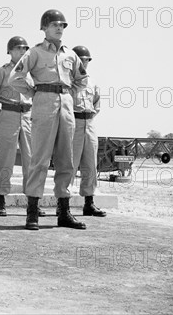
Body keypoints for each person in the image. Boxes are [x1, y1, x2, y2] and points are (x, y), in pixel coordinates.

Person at [8, 10, 88, 231]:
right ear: (44, 28)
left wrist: (69, 92)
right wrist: (34, 92)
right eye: (54, 24)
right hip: (43, 103)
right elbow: (15, 77)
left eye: (62, 25)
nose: (59, 28)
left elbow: (82, 79)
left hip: (66, 106)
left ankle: (64, 213)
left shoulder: (70, 55)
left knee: (67, 161)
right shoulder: (34, 52)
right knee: (40, 159)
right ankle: (32, 212)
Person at [0, 36, 35, 217]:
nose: (22, 52)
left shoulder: (32, 73)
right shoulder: (2, 72)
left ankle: (33, 203)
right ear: (10, 51)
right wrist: (2, 114)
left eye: (25, 49)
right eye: (19, 48)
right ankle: (1, 200)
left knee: (31, 160)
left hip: (28, 117)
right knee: (5, 159)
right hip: (8, 114)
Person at [71, 45, 106, 217]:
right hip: (74, 123)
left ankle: (89, 203)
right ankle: (63, 204)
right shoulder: (68, 83)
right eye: (81, 60)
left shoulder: (92, 83)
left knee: (90, 165)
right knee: (69, 165)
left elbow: (97, 104)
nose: (84, 63)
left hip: (89, 123)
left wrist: (89, 117)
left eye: (86, 60)